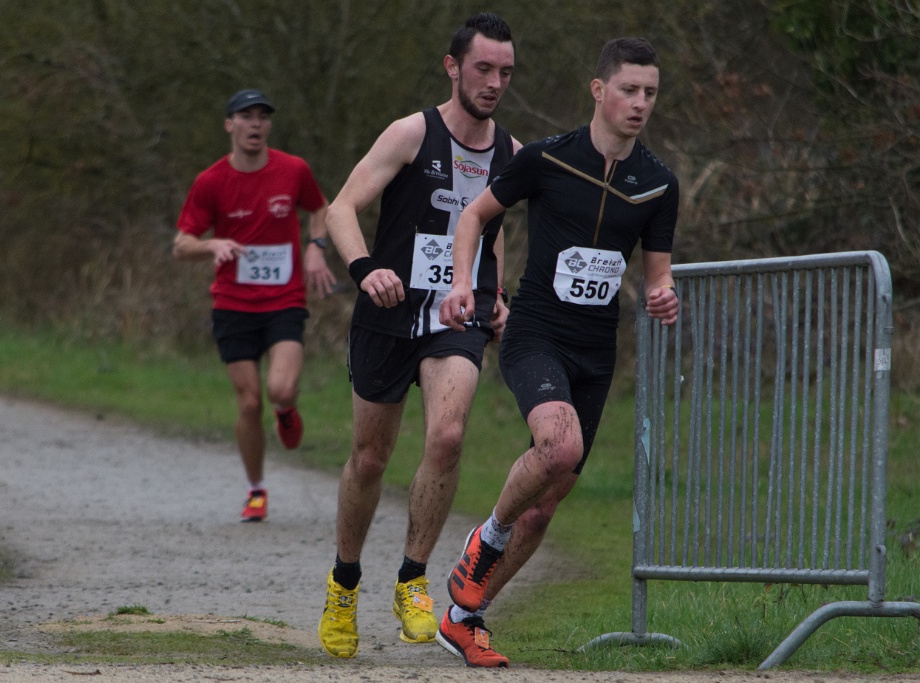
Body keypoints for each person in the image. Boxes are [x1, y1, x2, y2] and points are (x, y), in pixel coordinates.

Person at [437, 37, 681, 667]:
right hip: (536, 335)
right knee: (560, 446)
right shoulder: (546, 159)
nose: (640, 103)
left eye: (650, 93)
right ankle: (485, 539)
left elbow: (658, 274)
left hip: (595, 353)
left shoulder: (658, 184)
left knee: (544, 509)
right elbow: (472, 217)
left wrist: (664, 296)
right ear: (599, 91)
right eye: (629, 89)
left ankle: (464, 618)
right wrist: (463, 283)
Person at [317, 13, 522, 660]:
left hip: (456, 317)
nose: (494, 83)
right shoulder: (412, 132)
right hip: (389, 312)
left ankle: (413, 577)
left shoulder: (511, 154)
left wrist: (498, 297)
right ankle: (344, 582)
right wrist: (365, 268)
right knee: (369, 458)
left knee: (448, 435)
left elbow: (494, 234)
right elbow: (340, 208)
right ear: (452, 67)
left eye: (505, 72)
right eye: (483, 68)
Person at [173, 88, 335, 523]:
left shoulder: (293, 170)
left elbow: (320, 208)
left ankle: (286, 410)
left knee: (280, 389)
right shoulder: (210, 181)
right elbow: (181, 244)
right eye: (246, 116)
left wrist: (316, 247)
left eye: (263, 116)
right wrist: (212, 245)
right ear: (230, 125)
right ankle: (256, 490)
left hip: (284, 300)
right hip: (233, 304)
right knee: (248, 403)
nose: (256, 124)